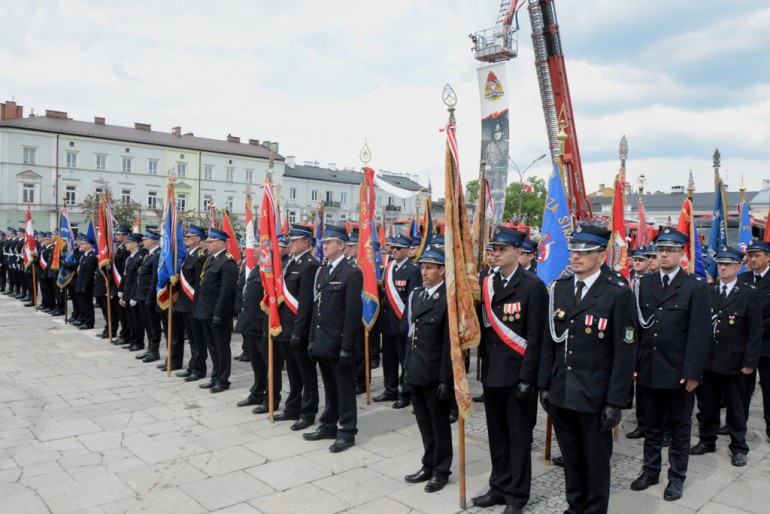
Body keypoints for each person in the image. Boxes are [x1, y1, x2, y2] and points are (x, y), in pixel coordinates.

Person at [538, 223, 636, 514]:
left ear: (601, 255)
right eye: (573, 251)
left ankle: (593, 510)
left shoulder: (617, 292)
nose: (576, 257)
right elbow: (549, 341)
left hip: (595, 395)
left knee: (595, 460)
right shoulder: (561, 288)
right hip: (562, 391)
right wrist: (544, 383)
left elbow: (625, 352)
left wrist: (616, 401)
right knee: (570, 457)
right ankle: (574, 506)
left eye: (584, 252)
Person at [631, 227, 710, 502]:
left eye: (670, 250)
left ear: (681, 254)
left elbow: (700, 334)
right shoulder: (645, 284)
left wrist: (693, 372)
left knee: (678, 429)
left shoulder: (695, 287)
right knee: (651, 426)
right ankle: (650, 470)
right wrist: (635, 363)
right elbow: (639, 329)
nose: (664, 254)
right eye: (660, 250)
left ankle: (676, 478)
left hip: (678, 372)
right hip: (650, 367)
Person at [473, 227, 547, 513]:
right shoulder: (487, 283)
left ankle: (517, 495)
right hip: (493, 374)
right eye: (494, 249)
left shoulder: (532, 286)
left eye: (502, 249)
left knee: (518, 440)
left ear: (518, 252)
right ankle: (499, 487)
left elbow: (536, 337)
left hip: (518, 377)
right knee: (497, 436)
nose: (496, 253)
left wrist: (529, 378)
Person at [690, 246, 761, 467]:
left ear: (739, 266)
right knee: (707, 405)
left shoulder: (749, 293)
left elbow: (754, 331)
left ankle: (739, 446)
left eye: (728, 264)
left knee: (736, 407)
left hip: (735, 362)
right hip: (709, 360)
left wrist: (750, 361)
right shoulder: (706, 290)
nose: (723, 267)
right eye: (720, 263)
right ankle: (707, 440)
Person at [305, 224, 363, 452]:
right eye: (323, 243)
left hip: (339, 343)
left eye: (328, 243)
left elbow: (352, 314)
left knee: (345, 389)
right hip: (322, 340)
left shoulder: (351, 273)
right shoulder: (323, 271)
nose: (324, 246)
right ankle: (329, 424)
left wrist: (347, 347)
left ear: (341, 246)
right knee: (329, 386)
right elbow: (316, 307)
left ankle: (347, 431)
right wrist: (311, 338)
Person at [402, 247, 453, 493]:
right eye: (422, 267)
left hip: (434, 373)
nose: (424, 271)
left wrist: (446, 379)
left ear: (442, 270)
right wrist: (406, 369)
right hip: (416, 370)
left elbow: (448, 344)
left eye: (430, 267)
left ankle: (441, 470)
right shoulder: (417, 295)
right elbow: (410, 337)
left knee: (439, 424)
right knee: (424, 423)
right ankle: (428, 464)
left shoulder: (448, 298)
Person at [270, 224, 320, 429]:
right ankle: (293, 407)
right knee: (292, 371)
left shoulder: (310, 265)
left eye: (294, 240)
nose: (289, 244)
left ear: (306, 243)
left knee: (306, 373)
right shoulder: (291, 263)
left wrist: (299, 332)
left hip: (299, 329)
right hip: (285, 327)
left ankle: (308, 412)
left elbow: (306, 303)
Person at [376, 234, 421, 408]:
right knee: (388, 359)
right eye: (393, 248)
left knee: (405, 360)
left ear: (408, 251)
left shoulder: (413, 270)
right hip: (387, 321)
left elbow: (412, 299)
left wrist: (406, 323)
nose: (394, 251)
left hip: (402, 323)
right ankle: (390, 389)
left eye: (398, 248)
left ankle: (406, 393)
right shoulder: (388, 267)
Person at [194, 228, 238, 393]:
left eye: (211, 242)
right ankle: (215, 376)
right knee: (212, 346)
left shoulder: (228, 262)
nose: (207, 244)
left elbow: (226, 292)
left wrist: (218, 313)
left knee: (221, 347)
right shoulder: (211, 260)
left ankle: (223, 379)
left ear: (220, 243)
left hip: (219, 313)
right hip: (206, 311)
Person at [739, 239, 770, 439]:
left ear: (768, 257)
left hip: (767, 344)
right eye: (750, 255)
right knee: (742, 388)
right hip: (744, 345)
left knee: (768, 387)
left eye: (758, 255)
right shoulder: (742, 279)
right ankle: (738, 423)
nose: (753, 259)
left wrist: (756, 328)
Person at [175, 225, 209, 382]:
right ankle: (192, 366)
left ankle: (199, 368)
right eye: (186, 236)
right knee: (192, 339)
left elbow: (200, 284)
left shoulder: (200, 256)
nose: (186, 238)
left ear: (198, 238)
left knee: (198, 338)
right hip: (186, 303)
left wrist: (197, 305)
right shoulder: (189, 255)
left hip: (194, 304)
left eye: (190, 236)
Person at [134, 231, 162, 362]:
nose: (143, 241)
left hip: (148, 296)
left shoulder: (157, 255)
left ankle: (154, 351)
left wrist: (151, 298)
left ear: (152, 240)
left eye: (145, 239)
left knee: (153, 324)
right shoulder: (149, 255)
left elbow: (155, 278)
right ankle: (150, 349)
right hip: (142, 294)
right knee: (147, 323)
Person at [120, 233, 147, 352]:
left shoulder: (139, 258)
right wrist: (122, 292)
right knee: (129, 319)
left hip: (134, 294)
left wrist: (134, 297)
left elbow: (137, 280)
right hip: (127, 292)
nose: (126, 244)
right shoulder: (129, 258)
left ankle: (138, 342)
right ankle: (132, 340)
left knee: (137, 320)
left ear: (136, 243)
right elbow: (125, 277)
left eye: (129, 242)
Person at [73, 234, 97, 330]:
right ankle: (83, 319)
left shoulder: (91, 257)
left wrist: (84, 287)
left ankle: (89, 322)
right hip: (80, 283)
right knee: (82, 304)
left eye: (83, 244)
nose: (80, 245)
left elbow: (89, 274)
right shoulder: (84, 256)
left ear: (88, 245)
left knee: (87, 305)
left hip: (86, 285)